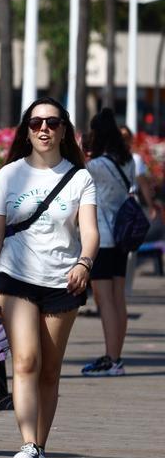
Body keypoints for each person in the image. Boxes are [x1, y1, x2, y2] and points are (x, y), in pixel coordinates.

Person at [0, 97, 98, 458]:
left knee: (49, 369)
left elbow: (91, 232)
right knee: (26, 360)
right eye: (35, 123)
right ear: (26, 131)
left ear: (64, 130)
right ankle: (28, 445)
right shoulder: (9, 175)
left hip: (63, 281)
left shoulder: (80, 177)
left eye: (52, 122)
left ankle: (39, 451)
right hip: (15, 277)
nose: (43, 129)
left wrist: (84, 262)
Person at [81, 110, 136, 377]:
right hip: (122, 237)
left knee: (105, 301)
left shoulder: (96, 166)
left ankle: (112, 359)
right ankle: (116, 355)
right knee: (118, 298)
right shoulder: (129, 161)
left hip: (101, 238)